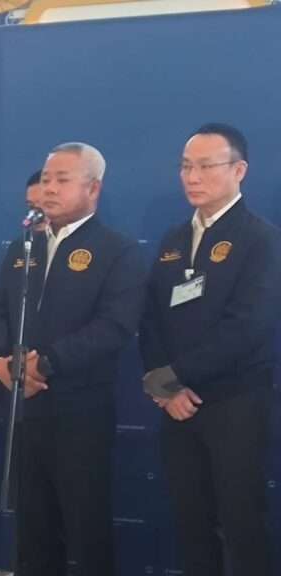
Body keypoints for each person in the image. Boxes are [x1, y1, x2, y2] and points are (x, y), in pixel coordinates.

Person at [0, 142, 145, 576]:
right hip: (25, 410)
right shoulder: (23, 248)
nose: (49, 188)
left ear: (94, 188)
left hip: (81, 411)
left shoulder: (118, 250)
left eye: (62, 180)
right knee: (32, 527)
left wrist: (47, 362)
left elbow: (115, 326)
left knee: (86, 525)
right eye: (46, 179)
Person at [140, 123, 279, 576]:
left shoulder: (261, 239)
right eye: (185, 166)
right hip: (177, 406)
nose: (192, 177)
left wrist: (174, 376)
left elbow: (249, 327)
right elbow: (151, 318)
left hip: (235, 403)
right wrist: (163, 385)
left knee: (242, 523)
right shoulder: (173, 240)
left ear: (239, 170)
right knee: (191, 521)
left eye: (205, 166)